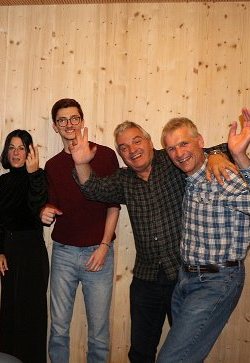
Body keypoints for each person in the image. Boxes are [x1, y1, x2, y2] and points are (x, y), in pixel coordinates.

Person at [70, 122, 234, 362]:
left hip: (183, 274)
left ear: (149, 141)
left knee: (185, 353)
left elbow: (214, 150)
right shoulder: (124, 179)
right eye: (123, 147)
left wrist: (216, 155)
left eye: (137, 141)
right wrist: (81, 163)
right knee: (140, 352)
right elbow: (93, 189)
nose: (132, 150)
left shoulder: (172, 159)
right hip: (145, 279)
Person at [156, 109, 250, 362]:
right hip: (185, 279)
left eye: (184, 144)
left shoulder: (222, 177)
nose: (179, 153)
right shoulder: (189, 179)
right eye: (171, 148)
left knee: (171, 359)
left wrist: (239, 157)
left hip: (216, 281)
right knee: (189, 355)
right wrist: (216, 153)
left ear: (200, 141)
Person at [38, 98, 120, 363]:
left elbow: (114, 206)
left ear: (82, 121)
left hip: (99, 253)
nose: (69, 124)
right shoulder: (52, 165)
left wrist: (104, 246)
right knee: (59, 330)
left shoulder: (105, 155)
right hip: (63, 253)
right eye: (62, 120)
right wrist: (45, 211)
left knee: (99, 334)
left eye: (74, 118)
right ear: (55, 126)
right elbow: (53, 205)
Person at [0, 130, 49, 362]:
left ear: (29, 152)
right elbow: (0, 221)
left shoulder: (39, 176)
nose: (16, 153)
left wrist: (34, 174)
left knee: (32, 316)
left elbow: (38, 207)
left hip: (32, 251)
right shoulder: (4, 181)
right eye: (11, 148)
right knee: (10, 313)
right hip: (9, 251)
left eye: (21, 148)